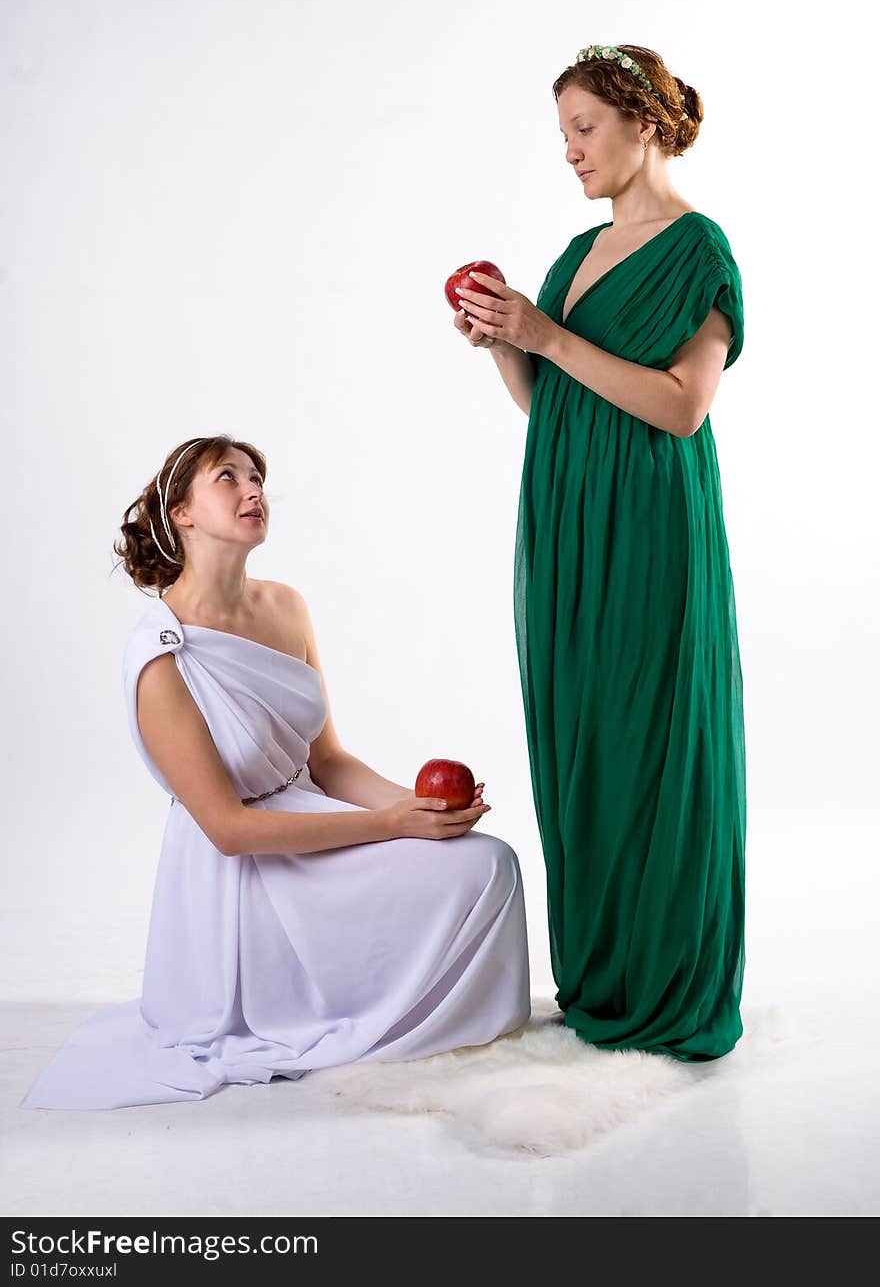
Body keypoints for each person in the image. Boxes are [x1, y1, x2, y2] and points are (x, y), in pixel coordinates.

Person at [20, 436, 530, 1110]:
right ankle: (343, 1007)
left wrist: (420, 809)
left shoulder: (286, 606)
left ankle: (439, 1018)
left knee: (488, 862)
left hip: (311, 814)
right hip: (239, 869)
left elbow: (330, 762)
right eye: (227, 479)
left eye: (256, 477)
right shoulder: (161, 654)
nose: (253, 489)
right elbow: (228, 829)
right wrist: (387, 825)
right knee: (467, 866)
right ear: (182, 513)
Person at [453, 44, 746, 1061]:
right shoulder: (574, 256)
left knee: (652, 733)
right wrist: (503, 338)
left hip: (652, 528)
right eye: (564, 133)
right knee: (580, 738)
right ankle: (604, 972)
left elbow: (679, 405)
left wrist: (548, 335)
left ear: (646, 126)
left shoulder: (699, 249)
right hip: (565, 521)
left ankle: (669, 980)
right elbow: (551, 405)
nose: (571, 151)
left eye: (585, 128)